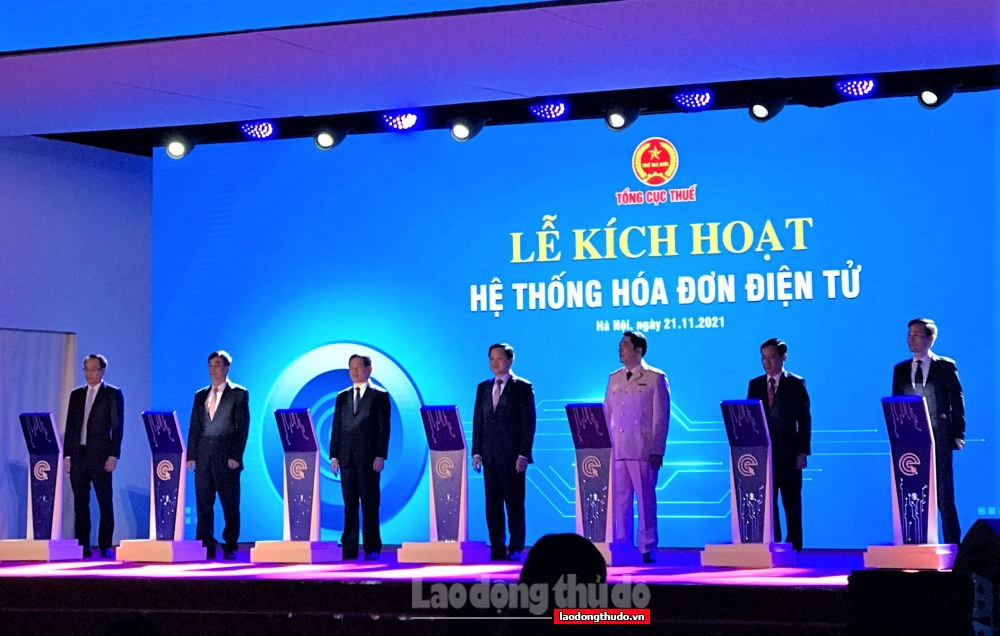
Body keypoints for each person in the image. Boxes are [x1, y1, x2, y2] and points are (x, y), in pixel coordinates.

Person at [892, 318, 966, 544]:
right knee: (914, 494)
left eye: (916, 335)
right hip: (911, 441)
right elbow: (896, 404)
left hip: (940, 437)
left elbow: (957, 401)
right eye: (909, 335)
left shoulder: (945, 366)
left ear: (930, 339)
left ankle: (954, 546)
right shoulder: (900, 369)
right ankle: (916, 543)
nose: (910, 339)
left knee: (944, 495)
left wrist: (958, 433)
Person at [603, 331, 668, 563]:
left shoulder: (655, 378)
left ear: (638, 350)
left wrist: (657, 449)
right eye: (620, 345)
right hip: (618, 449)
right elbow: (607, 412)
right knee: (620, 501)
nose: (620, 349)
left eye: (625, 345)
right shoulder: (614, 378)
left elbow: (661, 417)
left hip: (643, 449)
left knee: (645, 500)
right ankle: (622, 544)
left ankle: (647, 546)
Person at [472, 343, 536, 561]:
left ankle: (516, 546)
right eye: (491, 358)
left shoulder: (522, 387)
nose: (495, 362)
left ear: (510, 360)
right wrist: (476, 452)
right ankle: (497, 547)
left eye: (499, 358)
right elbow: (478, 421)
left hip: (513, 457)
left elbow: (528, 423)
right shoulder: (483, 387)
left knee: (514, 503)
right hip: (489, 456)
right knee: (492, 505)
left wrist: (523, 454)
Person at [747, 338, 811, 552]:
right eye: (764, 358)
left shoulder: (795, 383)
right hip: (764, 455)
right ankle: (771, 544)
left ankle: (794, 546)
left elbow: (804, 420)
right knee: (768, 503)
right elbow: (750, 419)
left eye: (772, 357)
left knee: (791, 502)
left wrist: (802, 451)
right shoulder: (755, 385)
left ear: (783, 357)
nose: (767, 362)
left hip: (790, 454)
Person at [186, 350, 250, 559]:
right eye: (210, 365)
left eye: (217, 365)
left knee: (230, 504)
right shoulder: (200, 395)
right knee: (203, 504)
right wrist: (191, 455)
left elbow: (242, 428)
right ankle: (206, 545)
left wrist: (236, 456)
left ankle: (230, 545)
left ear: (226, 368)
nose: (213, 369)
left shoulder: (238, 394)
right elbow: (195, 427)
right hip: (203, 457)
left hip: (226, 457)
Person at [330, 354, 391, 560]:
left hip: (369, 459)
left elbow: (384, 428)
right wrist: (334, 456)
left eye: (358, 366)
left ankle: (372, 547)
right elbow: (336, 427)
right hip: (346, 458)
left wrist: (380, 454)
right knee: (349, 505)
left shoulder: (379, 396)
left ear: (369, 369)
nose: (354, 371)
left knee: (369, 504)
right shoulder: (342, 396)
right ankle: (349, 547)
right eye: (351, 367)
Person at [64, 354, 124, 558]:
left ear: (102, 371)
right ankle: (83, 545)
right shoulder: (76, 395)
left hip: (101, 456)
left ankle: (105, 544)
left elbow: (117, 427)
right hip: (78, 455)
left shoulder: (112, 394)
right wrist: (68, 456)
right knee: (80, 503)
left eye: (93, 369)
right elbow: (71, 427)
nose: (89, 374)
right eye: (86, 370)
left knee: (104, 500)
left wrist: (113, 455)